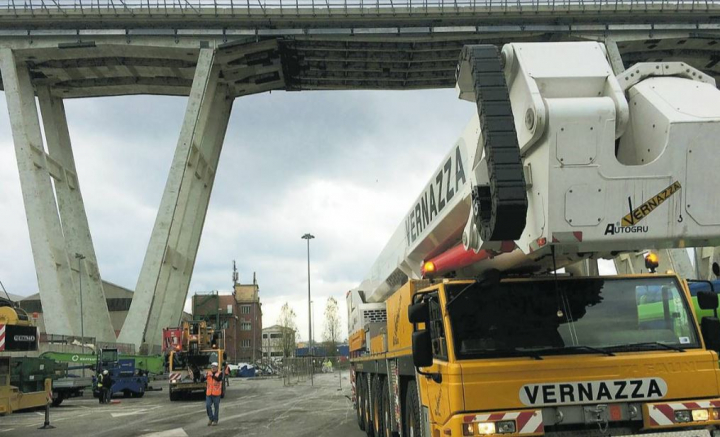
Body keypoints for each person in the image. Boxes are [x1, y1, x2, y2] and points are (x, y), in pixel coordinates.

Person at [205, 362, 223, 426]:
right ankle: (211, 418)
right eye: (212, 366)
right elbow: (203, 379)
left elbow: (219, 379)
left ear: (217, 367)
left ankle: (215, 420)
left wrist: (212, 375)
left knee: (216, 407)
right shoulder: (208, 373)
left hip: (216, 394)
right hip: (209, 393)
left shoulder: (220, 373)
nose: (213, 368)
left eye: (214, 367)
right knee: (208, 406)